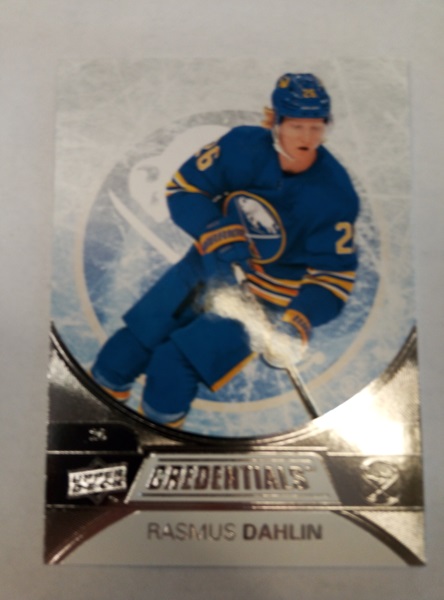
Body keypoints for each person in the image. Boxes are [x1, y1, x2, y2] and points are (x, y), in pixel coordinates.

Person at [90, 73, 359, 427]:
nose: (306, 138)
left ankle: (158, 442)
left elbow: (333, 279)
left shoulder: (334, 194)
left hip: (264, 302)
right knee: (123, 354)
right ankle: (97, 427)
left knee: (171, 370)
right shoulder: (241, 146)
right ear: (274, 121)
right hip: (204, 269)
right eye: (296, 126)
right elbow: (185, 189)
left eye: (315, 127)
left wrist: (299, 319)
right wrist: (217, 232)